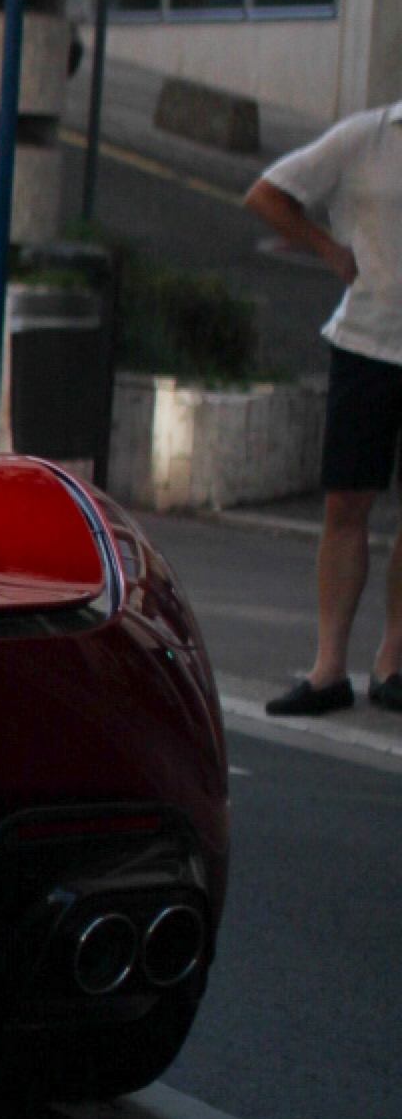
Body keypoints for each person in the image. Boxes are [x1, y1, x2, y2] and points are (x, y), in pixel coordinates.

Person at [243, 99, 402, 717]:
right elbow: (266, 194)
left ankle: (392, 662)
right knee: (347, 504)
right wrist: (328, 249)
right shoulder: (368, 137)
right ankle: (328, 668)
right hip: (366, 342)